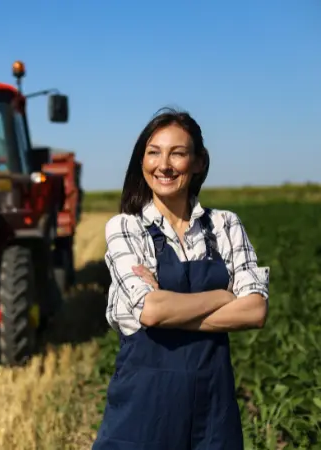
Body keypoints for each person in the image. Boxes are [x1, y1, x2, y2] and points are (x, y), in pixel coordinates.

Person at [92, 108, 270, 450]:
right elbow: (152, 312)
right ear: (141, 160)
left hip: (212, 412)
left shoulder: (225, 225)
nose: (165, 165)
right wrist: (223, 297)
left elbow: (254, 312)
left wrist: (170, 310)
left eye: (178, 153)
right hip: (142, 410)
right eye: (154, 152)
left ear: (199, 162)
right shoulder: (126, 227)